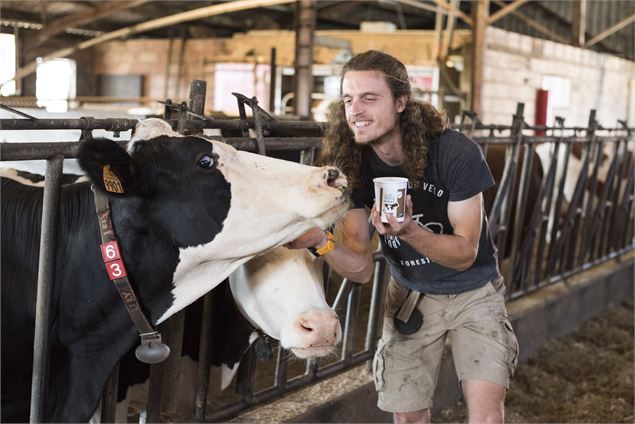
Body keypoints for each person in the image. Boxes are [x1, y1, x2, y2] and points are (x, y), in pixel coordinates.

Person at [286, 50, 518, 423]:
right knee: (407, 417)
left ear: (401, 102)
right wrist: (319, 240)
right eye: (348, 99)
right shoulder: (354, 165)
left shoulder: (455, 153)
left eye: (369, 98)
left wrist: (408, 229)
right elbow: (361, 268)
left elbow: (465, 253)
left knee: (487, 416)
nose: (355, 110)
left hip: (474, 293)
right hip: (410, 296)